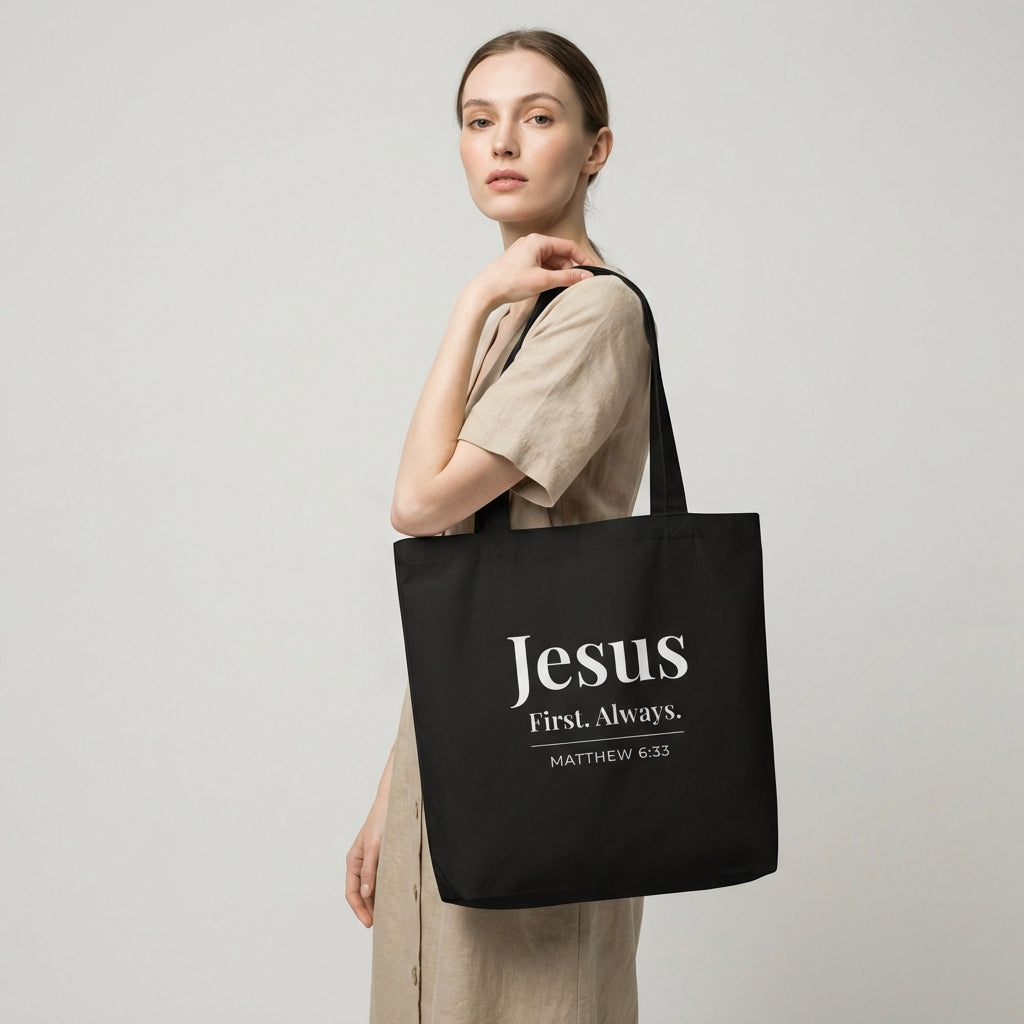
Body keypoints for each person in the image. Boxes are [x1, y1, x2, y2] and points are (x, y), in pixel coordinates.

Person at [347, 29, 652, 1023]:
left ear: (594, 149)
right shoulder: (521, 316)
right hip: (468, 728)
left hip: (545, 739)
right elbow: (462, 576)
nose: (502, 142)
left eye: (538, 116)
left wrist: (472, 298)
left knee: (534, 995)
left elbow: (418, 501)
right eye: (479, 121)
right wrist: (398, 786)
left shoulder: (592, 312)